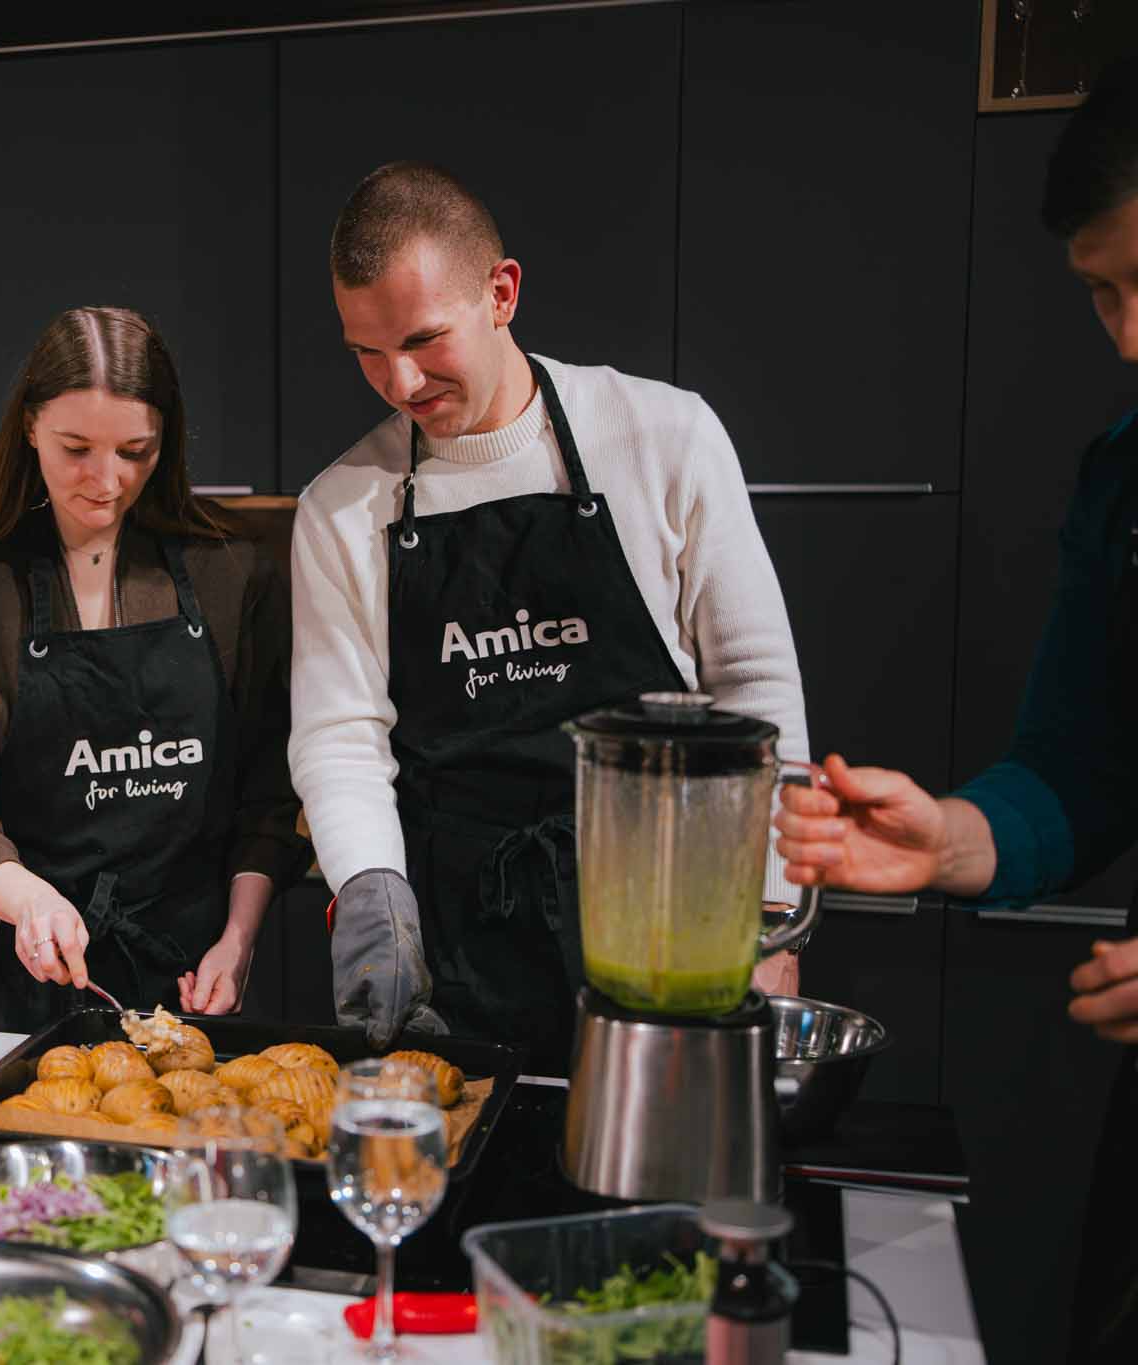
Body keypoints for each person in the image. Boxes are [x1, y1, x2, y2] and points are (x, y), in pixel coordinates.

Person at [772, 61, 1138, 1364]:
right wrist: (956, 841)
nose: (1131, 337)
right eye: (1101, 292)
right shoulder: (1123, 476)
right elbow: (1085, 762)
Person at [290, 162, 809, 1067]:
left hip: (667, 928)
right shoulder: (342, 506)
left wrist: (770, 916)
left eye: (423, 339)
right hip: (458, 947)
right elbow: (340, 738)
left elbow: (755, 691)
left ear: (502, 293)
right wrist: (370, 885)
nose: (399, 381)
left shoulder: (662, 436)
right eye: (366, 351)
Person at [0, 307, 307, 1034]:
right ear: (29, 426)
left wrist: (239, 939)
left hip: (188, 992)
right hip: (5, 1003)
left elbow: (268, 795)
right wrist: (28, 900)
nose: (107, 480)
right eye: (76, 449)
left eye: (135, 450)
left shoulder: (229, 575)